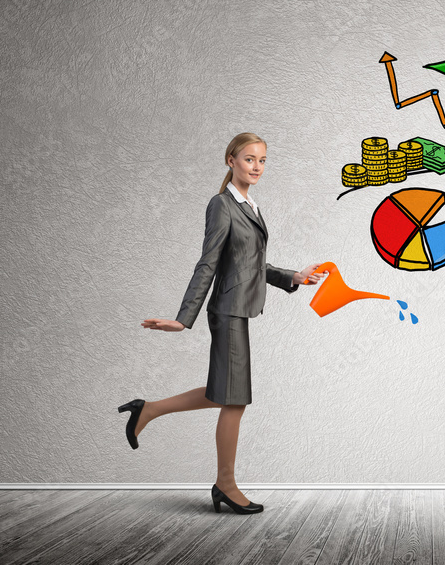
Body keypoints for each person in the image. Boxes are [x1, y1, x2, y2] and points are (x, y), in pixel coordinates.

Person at [120, 132, 326, 515]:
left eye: (262, 160)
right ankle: (225, 484)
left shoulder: (250, 206)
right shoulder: (221, 205)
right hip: (227, 311)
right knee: (235, 399)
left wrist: (293, 277)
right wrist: (183, 319)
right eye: (249, 159)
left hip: (239, 309)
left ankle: (147, 410)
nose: (257, 167)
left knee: (224, 392)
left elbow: (251, 265)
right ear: (231, 160)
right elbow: (208, 263)